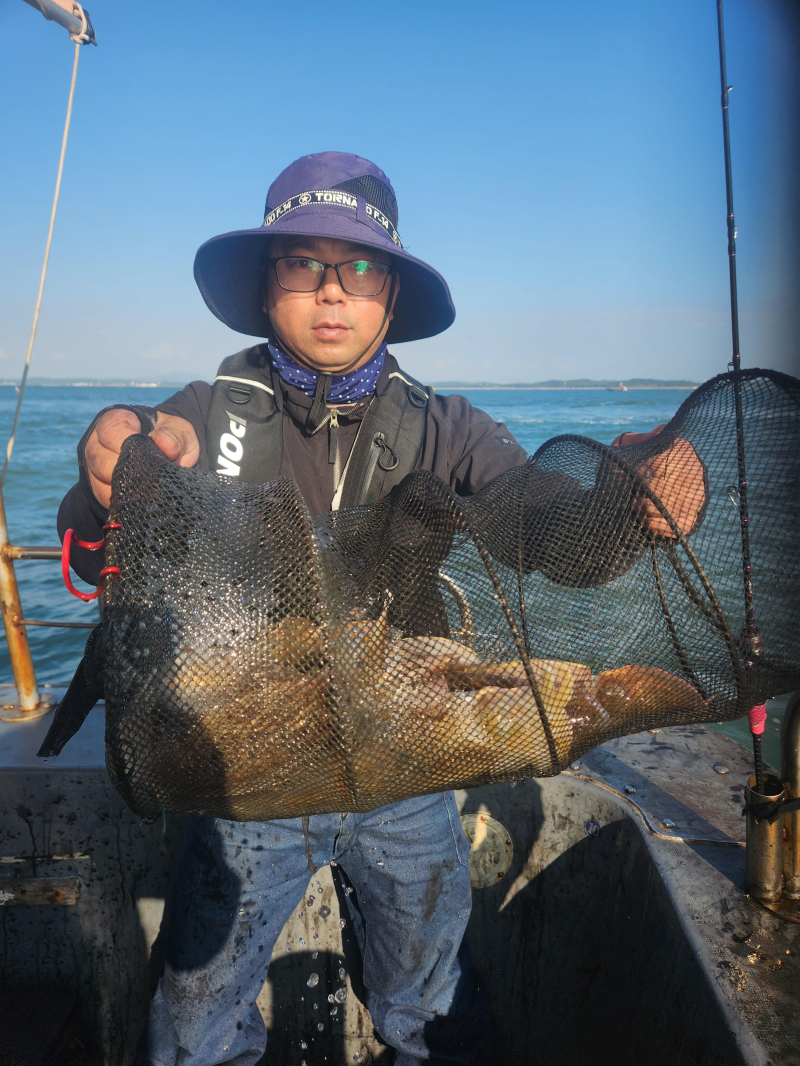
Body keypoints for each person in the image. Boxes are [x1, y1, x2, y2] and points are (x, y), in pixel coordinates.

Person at [58, 152, 706, 1065]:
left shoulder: (450, 429)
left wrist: (622, 503)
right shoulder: (204, 414)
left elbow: (544, 529)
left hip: (407, 769)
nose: (332, 291)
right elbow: (100, 530)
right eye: (302, 263)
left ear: (391, 295)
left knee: (431, 1007)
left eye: (360, 267)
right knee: (193, 1027)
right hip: (242, 779)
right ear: (264, 285)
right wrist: (109, 465)